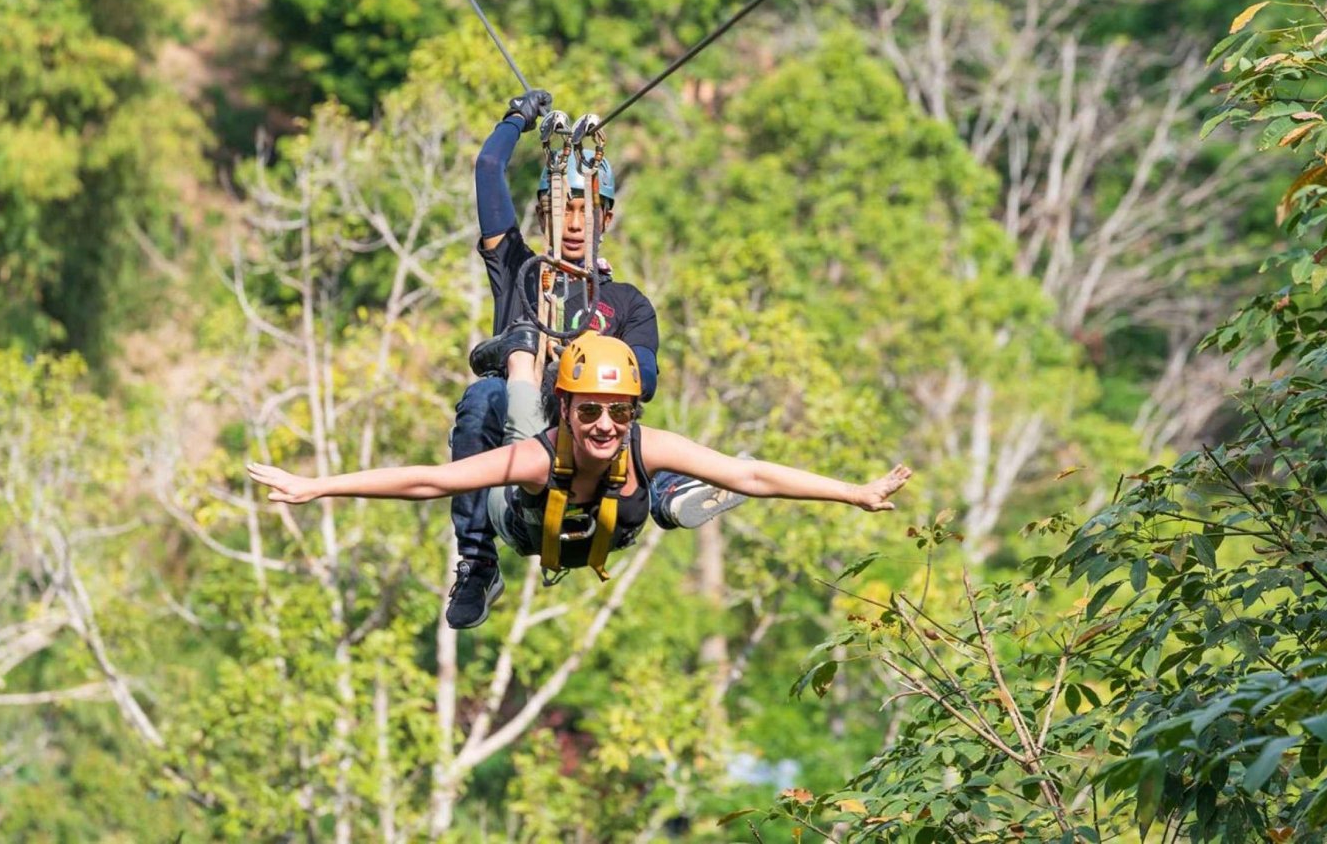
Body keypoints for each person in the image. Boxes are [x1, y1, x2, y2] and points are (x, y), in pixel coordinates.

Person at [248, 334, 911, 592]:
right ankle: (520, 354)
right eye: (590, 410)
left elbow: (753, 474)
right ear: (568, 408)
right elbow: (431, 480)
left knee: (696, 471)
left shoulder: (638, 441)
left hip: (614, 527)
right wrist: (316, 486)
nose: (604, 425)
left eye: (618, 413)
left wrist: (855, 492)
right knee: (511, 398)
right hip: (528, 524)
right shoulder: (537, 456)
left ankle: (671, 497)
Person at [446, 91, 742, 628]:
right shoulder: (522, 273)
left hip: (604, 477)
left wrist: (584, 360)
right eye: (562, 208)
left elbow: (645, 380)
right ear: (542, 215)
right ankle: (477, 562)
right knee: (483, 396)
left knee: (612, 404)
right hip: (531, 472)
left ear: (606, 216)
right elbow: (488, 168)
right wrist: (516, 120)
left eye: (586, 209)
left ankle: (667, 493)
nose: (574, 222)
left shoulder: (625, 303)